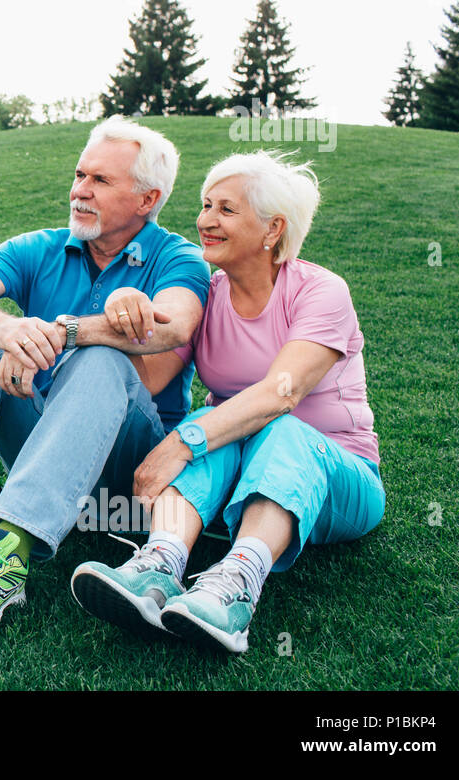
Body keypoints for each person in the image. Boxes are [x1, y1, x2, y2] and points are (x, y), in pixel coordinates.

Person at [0, 116, 211, 625]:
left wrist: (64, 332)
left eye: (101, 181)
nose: (80, 190)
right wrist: (3, 327)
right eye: (80, 175)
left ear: (147, 200)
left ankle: (7, 554)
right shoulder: (40, 246)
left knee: (102, 358)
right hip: (42, 449)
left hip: (126, 474)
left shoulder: (178, 257)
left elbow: (173, 327)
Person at [70, 150, 384, 653]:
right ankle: (159, 564)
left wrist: (180, 444)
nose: (206, 221)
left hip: (339, 478)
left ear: (272, 229)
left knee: (261, 425)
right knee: (210, 418)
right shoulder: (209, 295)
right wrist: (115, 318)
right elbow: (144, 381)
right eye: (205, 205)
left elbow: (282, 394)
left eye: (226, 210)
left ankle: (236, 587)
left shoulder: (321, 291)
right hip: (238, 477)